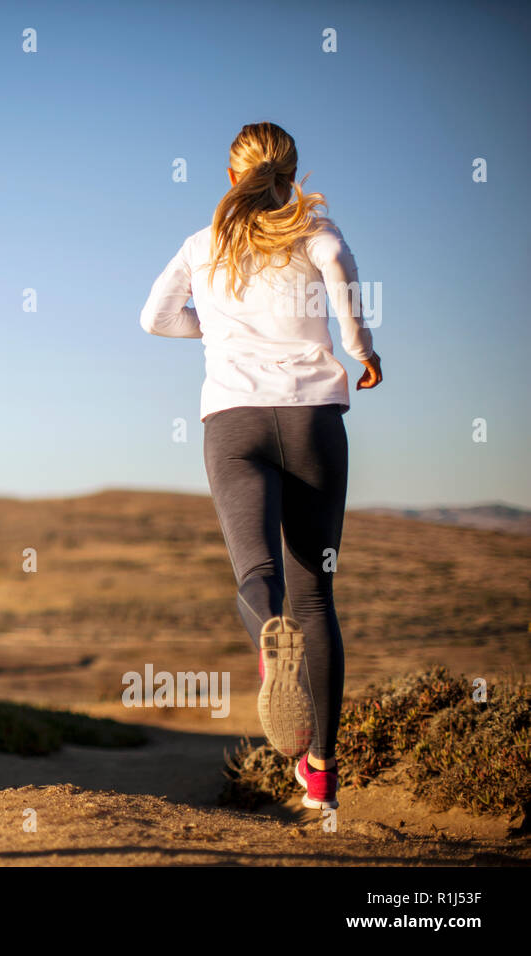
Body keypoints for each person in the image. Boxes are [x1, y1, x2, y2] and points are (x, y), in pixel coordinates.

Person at [139, 121, 382, 811]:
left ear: (231, 177)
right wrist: (366, 353)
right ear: (294, 172)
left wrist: (215, 328)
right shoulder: (319, 235)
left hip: (233, 424)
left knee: (258, 576)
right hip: (312, 422)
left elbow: (154, 318)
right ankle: (321, 781)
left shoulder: (201, 243)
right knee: (317, 596)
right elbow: (344, 294)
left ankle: (270, 646)